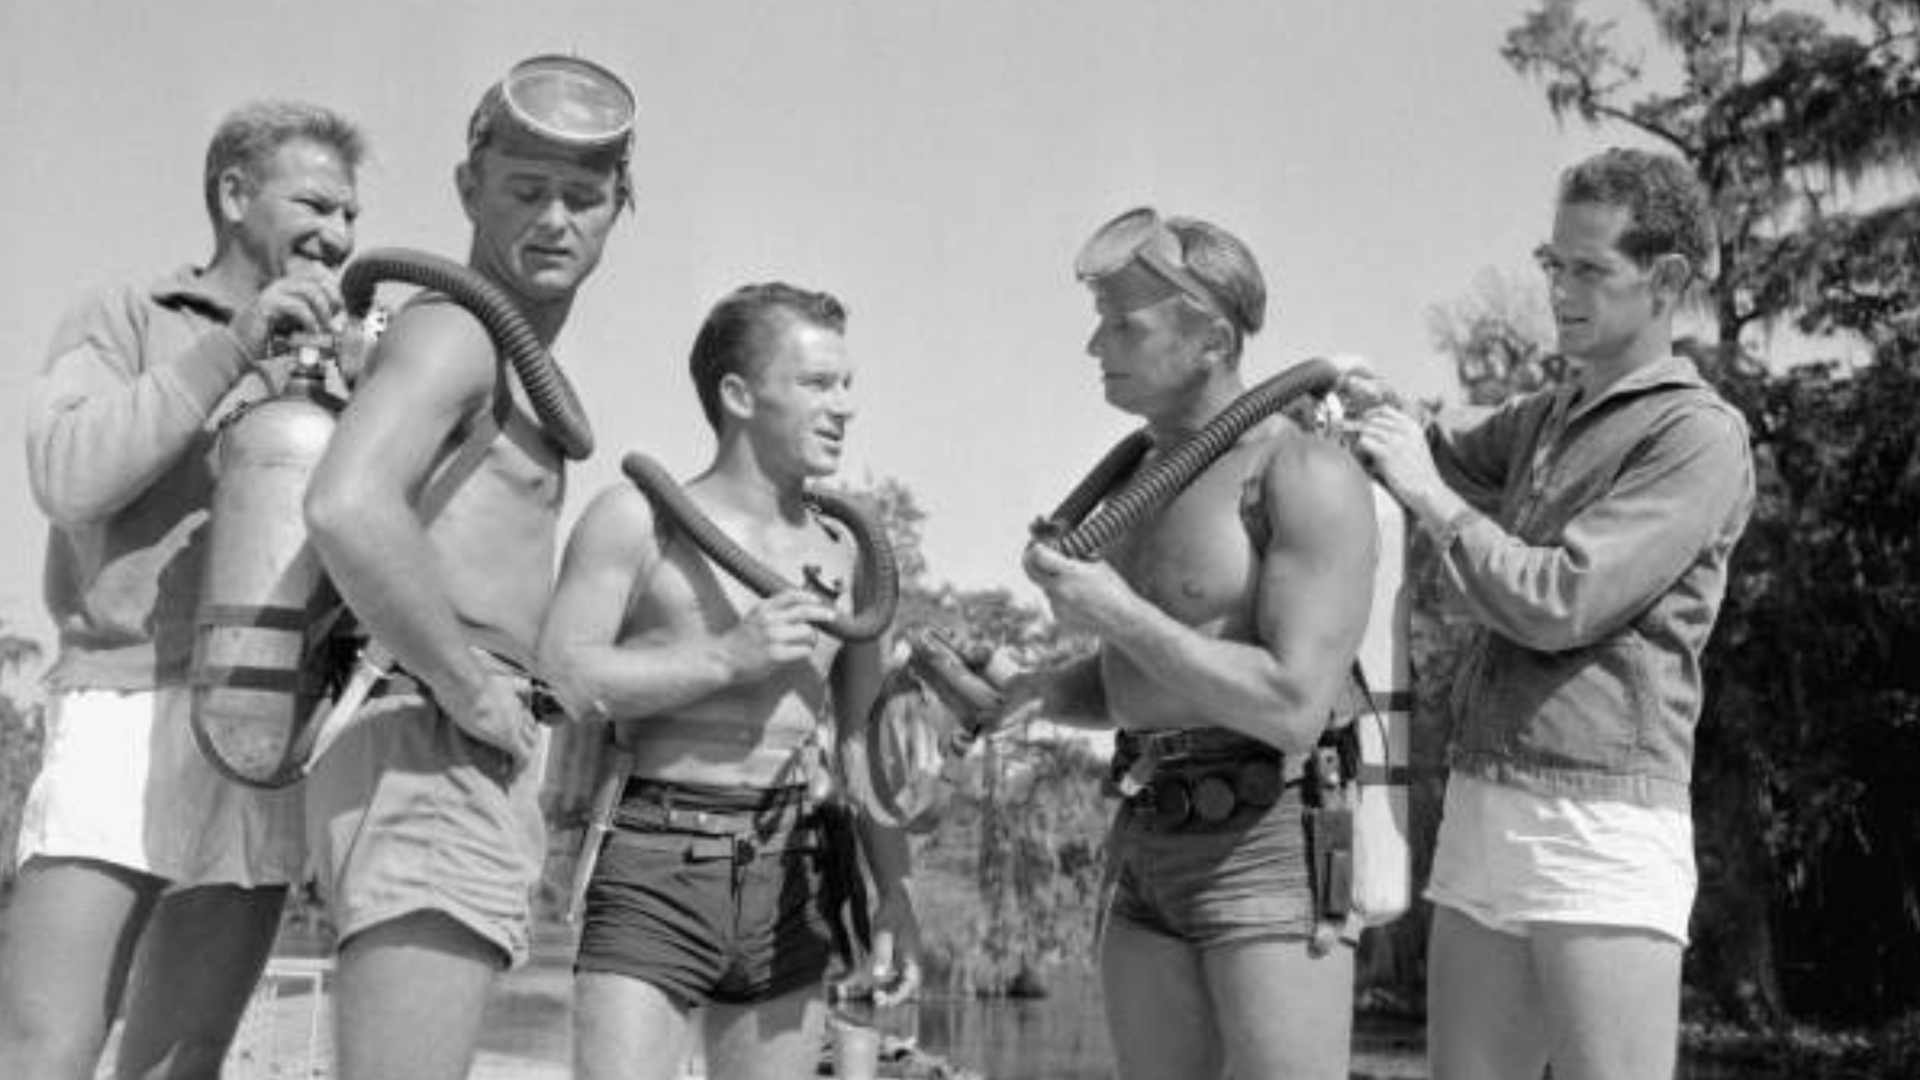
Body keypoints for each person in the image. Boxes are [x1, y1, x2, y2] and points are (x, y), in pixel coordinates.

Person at [1349, 147, 1756, 1080]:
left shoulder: (1695, 436)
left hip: (1600, 820)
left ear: (1667, 282)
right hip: (1484, 800)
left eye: (1589, 270)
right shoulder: (1549, 413)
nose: (1560, 290)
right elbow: (1439, 448)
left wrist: (1428, 495)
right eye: (1552, 264)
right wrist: (1371, 411)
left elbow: (1558, 601)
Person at [1, 101, 365, 1080]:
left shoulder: (349, 361)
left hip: (265, 708)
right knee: (48, 1047)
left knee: (185, 1059)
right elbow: (67, 472)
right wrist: (234, 345)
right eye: (316, 204)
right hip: (123, 695)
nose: (336, 234)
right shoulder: (126, 316)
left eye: (350, 216)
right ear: (235, 194)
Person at [978, 208, 1379, 1079]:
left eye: (1123, 325)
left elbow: (1292, 705)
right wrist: (1044, 692)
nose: (1095, 346)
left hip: (1270, 838)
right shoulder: (1142, 478)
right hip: (1149, 831)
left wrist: (1116, 613)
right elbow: (1149, 674)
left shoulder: (1304, 472)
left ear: (1210, 339)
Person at [298, 55, 633, 1080]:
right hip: (427, 741)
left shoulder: (507, 353)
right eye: (526, 192)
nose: (556, 221)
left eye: (584, 197)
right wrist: (470, 689)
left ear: (623, 205)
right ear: (466, 190)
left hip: (436, 746)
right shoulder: (455, 334)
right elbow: (347, 505)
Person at [540, 283, 922, 1080]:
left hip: (794, 866)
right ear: (739, 395)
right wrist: (725, 657)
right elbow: (563, 675)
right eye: (818, 384)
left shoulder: (850, 555)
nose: (844, 406)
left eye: (848, 385)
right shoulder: (637, 519)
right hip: (653, 857)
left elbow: (863, 743)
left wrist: (895, 892)